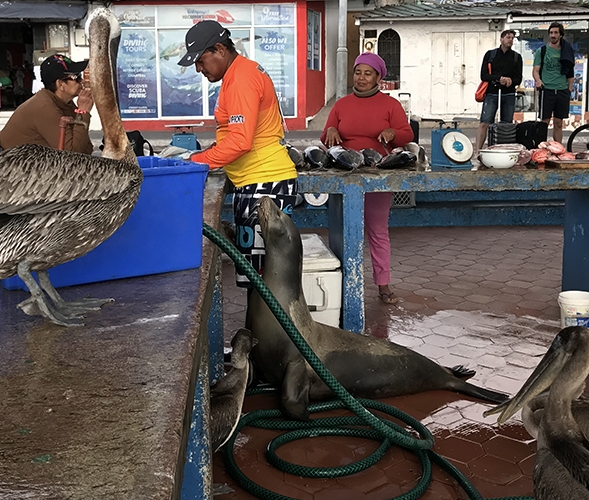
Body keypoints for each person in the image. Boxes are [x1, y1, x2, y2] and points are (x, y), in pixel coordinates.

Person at [176, 20, 297, 286]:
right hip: (255, 181)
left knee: (265, 282)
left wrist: (195, 161)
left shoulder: (242, 79)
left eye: (200, 60)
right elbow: (234, 134)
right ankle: (258, 328)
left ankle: (265, 329)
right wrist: (211, 152)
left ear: (219, 49)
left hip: (265, 185)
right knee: (256, 279)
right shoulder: (237, 75)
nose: (198, 69)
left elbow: (241, 142)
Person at [320, 52, 413, 304]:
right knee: (341, 230)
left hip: (376, 175)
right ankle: (342, 283)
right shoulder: (341, 104)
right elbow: (325, 137)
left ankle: (383, 284)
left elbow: (407, 134)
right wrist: (330, 129)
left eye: (367, 73)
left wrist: (392, 132)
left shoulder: (390, 105)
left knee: (377, 230)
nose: (361, 78)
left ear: (378, 78)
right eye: (358, 72)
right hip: (345, 174)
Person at [0, 54, 94, 157]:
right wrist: (83, 112)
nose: (82, 81)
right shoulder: (44, 107)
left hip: (20, 166)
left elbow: (87, 148)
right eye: (76, 77)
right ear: (60, 84)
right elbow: (73, 155)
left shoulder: (64, 103)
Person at [476, 30, 523, 150]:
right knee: (485, 122)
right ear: (501, 39)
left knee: (506, 125)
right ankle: (478, 151)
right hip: (492, 93)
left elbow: (518, 78)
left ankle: (504, 150)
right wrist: (499, 78)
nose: (510, 40)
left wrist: (510, 81)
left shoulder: (517, 57)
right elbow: (484, 75)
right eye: (508, 37)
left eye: (512, 38)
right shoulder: (490, 55)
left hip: (508, 94)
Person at [533, 22, 575, 143]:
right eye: (551, 33)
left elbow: (570, 72)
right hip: (547, 89)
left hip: (562, 90)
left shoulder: (566, 51)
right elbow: (535, 70)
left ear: (561, 35)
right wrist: (538, 81)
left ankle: (558, 148)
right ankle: (541, 147)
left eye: (556, 32)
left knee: (558, 122)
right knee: (544, 122)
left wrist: (569, 89)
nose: (553, 35)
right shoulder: (542, 51)